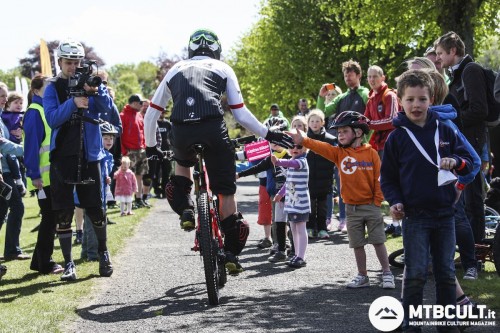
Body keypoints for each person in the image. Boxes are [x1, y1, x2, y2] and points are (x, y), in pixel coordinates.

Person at [143, 28, 293, 274]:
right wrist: (268, 134)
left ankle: (188, 209)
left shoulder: (175, 69)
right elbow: (240, 113)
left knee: (182, 166)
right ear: (217, 51)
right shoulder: (223, 69)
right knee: (225, 192)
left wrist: (151, 148)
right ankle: (231, 252)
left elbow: (151, 115)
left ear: (191, 50)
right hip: (213, 131)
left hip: (181, 132)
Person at [380, 69, 474, 330]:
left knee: (445, 274)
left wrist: (456, 161)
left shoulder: (445, 129)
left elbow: (468, 163)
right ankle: (411, 325)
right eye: (410, 100)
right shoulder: (396, 138)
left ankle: (447, 325)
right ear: (400, 101)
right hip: (415, 217)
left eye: (421, 99)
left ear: (431, 99)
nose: (416, 105)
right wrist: (395, 201)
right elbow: (387, 178)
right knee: (416, 275)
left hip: (445, 215)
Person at [287, 111, 395, 289]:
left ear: (358, 133)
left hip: (371, 206)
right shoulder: (338, 153)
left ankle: (386, 272)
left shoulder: (372, 154)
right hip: (351, 208)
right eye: (338, 132)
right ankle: (362, 275)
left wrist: (377, 201)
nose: (340, 135)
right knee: (357, 244)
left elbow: (379, 179)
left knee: (378, 241)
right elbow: (320, 146)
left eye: (344, 131)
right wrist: (304, 141)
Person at [43, 38, 114, 280]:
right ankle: (69, 263)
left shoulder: (90, 82)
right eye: (69, 62)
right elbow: (52, 119)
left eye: (76, 62)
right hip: (63, 156)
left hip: (90, 155)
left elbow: (106, 110)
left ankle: (103, 253)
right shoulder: (53, 87)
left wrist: (97, 90)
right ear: (59, 62)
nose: (73, 67)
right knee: (63, 211)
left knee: (95, 208)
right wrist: (73, 103)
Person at [435, 31, 488, 244]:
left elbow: (479, 109)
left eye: (440, 53)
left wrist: (453, 121)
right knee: (465, 198)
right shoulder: (456, 74)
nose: (437, 58)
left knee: (473, 198)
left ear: (453, 51)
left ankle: (477, 248)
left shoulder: (470, 70)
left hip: (472, 140)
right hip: (464, 139)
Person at [24, 75, 64, 274]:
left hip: (49, 176)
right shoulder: (35, 112)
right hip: (42, 178)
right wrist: (34, 175)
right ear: (37, 90)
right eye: (48, 86)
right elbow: (30, 147)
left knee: (50, 217)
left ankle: (37, 262)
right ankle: (45, 263)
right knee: (50, 218)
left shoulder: (44, 109)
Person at [364, 65, 401, 236]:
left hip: (391, 144)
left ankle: (399, 222)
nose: (372, 80)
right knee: (384, 182)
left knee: (395, 180)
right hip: (378, 145)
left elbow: (392, 120)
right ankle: (393, 221)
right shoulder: (371, 98)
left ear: (383, 77)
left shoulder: (389, 95)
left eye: (375, 76)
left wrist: (369, 125)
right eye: (369, 77)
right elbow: (364, 120)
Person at [81, 121, 119, 261]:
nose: (109, 141)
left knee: (89, 223)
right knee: (93, 224)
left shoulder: (108, 155)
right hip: (94, 194)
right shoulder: (97, 154)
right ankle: (93, 254)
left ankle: (85, 252)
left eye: (111, 138)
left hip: (102, 193)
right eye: (106, 138)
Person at [272, 133, 310, 268]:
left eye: (299, 146)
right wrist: (280, 194)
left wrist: (278, 161)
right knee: (293, 228)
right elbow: (288, 182)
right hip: (292, 203)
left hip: (300, 203)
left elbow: (291, 162)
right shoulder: (293, 164)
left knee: (300, 228)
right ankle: (297, 254)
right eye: (292, 146)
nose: (295, 149)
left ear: (305, 148)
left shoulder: (301, 162)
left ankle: (301, 256)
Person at [0, 107, 27, 261]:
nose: (4, 99)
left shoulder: (2, 118)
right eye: (1, 96)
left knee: (3, 209)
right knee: (17, 206)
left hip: (6, 170)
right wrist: (26, 150)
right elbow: (3, 144)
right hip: (3, 172)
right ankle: (12, 250)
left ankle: (12, 249)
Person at [305, 110, 336, 239]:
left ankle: (323, 228)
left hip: (325, 177)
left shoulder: (330, 139)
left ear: (323, 122)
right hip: (309, 178)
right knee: (310, 204)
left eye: (318, 121)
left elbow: (334, 157)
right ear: (308, 123)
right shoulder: (304, 138)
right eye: (312, 121)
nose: (315, 123)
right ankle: (310, 227)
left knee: (323, 205)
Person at [120, 94, 151, 209]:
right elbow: (120, 136)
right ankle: (128, 202)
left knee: (140, 175)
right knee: (128, 177)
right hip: (129, 151)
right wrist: (124, 152)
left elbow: (142, 133)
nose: (142, 105)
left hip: (141, 150)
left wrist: (144, 146)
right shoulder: (122, 116)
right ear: (133, 103)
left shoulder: (139, 116)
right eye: (140, 103)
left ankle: (138, 199)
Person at [1, 93, 27, 196]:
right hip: (9, 149)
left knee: (21, 167)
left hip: (18, 146)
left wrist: (21, 132)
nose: (19, 105)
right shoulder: (4, 116)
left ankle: (21, 185)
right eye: (16, 102)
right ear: (8, 104)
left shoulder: (22, 115)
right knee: (12, 160)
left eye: (21, 103)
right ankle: (19, 182)